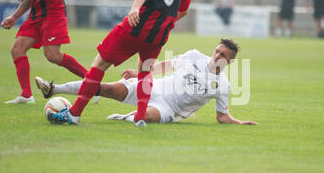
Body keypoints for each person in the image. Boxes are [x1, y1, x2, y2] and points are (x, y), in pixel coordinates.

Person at [50, 0, 191, 127]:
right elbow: (184, 8)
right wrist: (166, 22)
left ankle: (74, 113)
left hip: (138, 26)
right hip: (158, 35)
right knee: (144, 72)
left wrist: (135, 8)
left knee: (99, 64)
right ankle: (140, 117)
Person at [36, 40, 257, 125]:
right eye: (217, 51)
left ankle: (124, 117)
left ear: (230, 61)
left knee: (149, 117)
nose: (217, 56)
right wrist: (139, 72)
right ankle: (53, 89)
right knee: (105, 88)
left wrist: (239, 123)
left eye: (223, 55)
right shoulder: (194, 56)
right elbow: (166, 65)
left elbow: (221, 116)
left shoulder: (224, 86)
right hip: (154, 87)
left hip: (169, 109)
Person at [1, 0, 88, 105]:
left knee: (53, 55)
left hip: (53, 11)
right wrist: (14, 16)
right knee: (17, 49)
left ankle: (93, 81)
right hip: (36, 15)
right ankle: (27, 96)